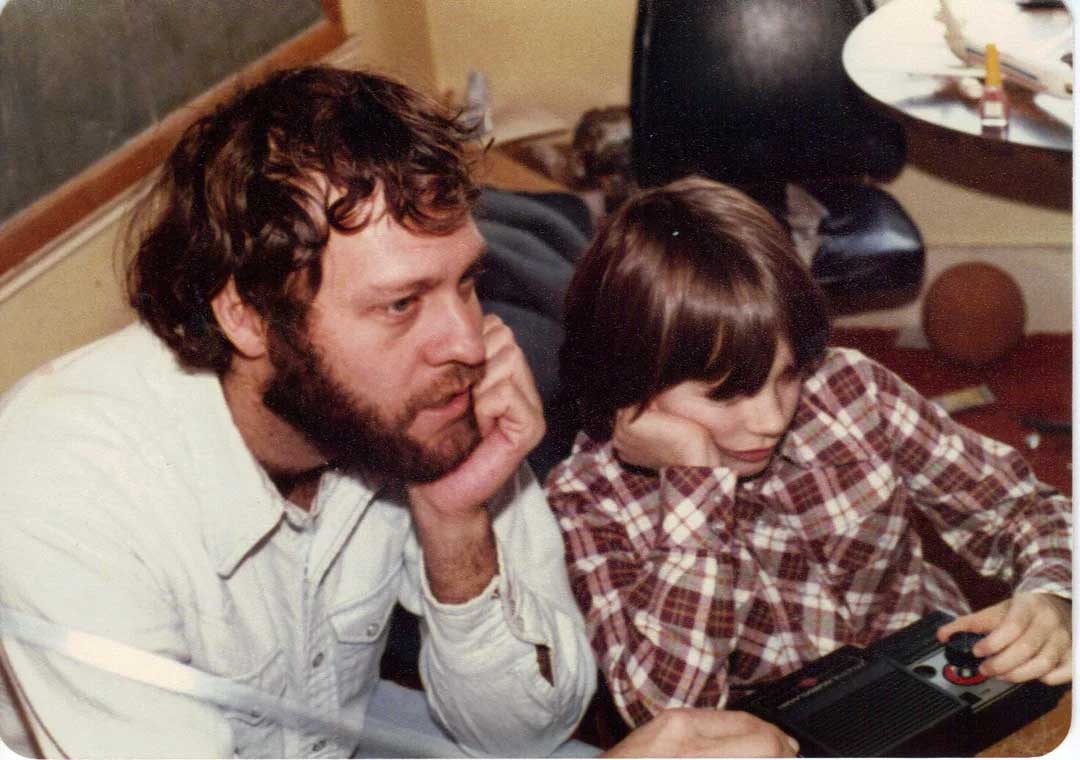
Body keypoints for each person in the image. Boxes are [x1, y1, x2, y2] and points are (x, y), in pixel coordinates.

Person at [0, 66, 798, 760]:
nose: (465, 341)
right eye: (401, 304)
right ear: (245, 315)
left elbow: (523, 733)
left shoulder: (414, 407)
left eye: (463, 282)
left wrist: (457, 526)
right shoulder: (63, 489)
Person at [547, 176, 1072, 728]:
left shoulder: (850, 389)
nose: (771, 419)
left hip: (939, 680)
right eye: (728, 392)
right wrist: (693, 483)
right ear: (629, 379)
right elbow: (668, 719)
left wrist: (1056, 598)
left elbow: (1023, 507)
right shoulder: (585, 500)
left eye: (789, 374)